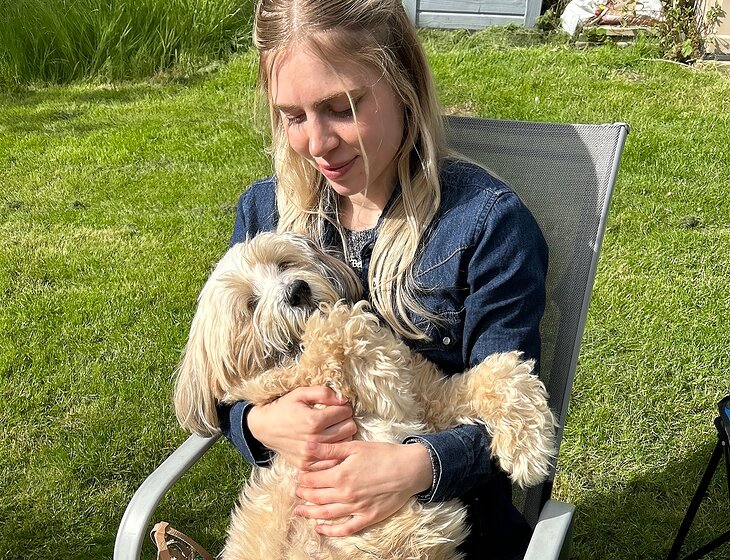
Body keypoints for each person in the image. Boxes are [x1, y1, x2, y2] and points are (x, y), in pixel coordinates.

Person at [216, 1, 548, 558]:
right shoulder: (266, 215)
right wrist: (260, 425)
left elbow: (513, 410)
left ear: (403, 82)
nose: (317, 143)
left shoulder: (488, 226)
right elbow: (222, 377)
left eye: (341, 108)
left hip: (444, 532)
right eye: (293, 116)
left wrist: (413, 466)